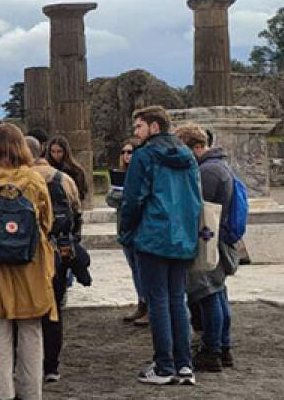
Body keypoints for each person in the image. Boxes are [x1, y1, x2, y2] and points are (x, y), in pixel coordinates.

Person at [0, 123, 57, 400]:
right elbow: (47, 222)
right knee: (31, 329)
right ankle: (32, 393)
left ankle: (4, 394)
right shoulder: (34, 180)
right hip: (31, 263)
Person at [119, 106, 202, 386]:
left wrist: (126, 230)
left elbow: (133, 199)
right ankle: (184, 365)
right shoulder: (188, 156)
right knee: (177, 299)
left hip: (153, 236)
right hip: (182, 237)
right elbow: (195, 198)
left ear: (155, 127)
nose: (136, 133)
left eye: (139, 127)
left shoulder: (144, 156)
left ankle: (164, 366)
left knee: (158, 301)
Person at [175, 124, 238, 373]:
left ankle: (213, 349)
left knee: (208, 294)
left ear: (197, 147)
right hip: (218, 239)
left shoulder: (209, 171)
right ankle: (222, 347)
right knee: (217, 293)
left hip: (209, 241)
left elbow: (199, 208)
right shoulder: (218, 166)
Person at [27, 135, 83, 384]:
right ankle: (52, 366)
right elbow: (77, 213)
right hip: (58, 250)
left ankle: (28, 365)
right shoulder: (64, 179)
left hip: (28, 252)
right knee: (54, 310)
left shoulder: (20, 179)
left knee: (27, 310)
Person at [107, 139, 148, 325]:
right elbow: (110, 198)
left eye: (130, 152)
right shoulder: (120, 175)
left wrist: (124, 196)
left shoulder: (142, 173)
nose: (126, 155)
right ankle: (141, 302)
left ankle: (148, 305)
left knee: (143, 269)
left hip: (139, 228)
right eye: (124, 152)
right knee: (134, 269)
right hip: (124, 227)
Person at [45, 134, 90, 207]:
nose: (56, 155)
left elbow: (82, 192)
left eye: (59, 151)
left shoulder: (76, 171)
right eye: (53, 151)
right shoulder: (47, 169)